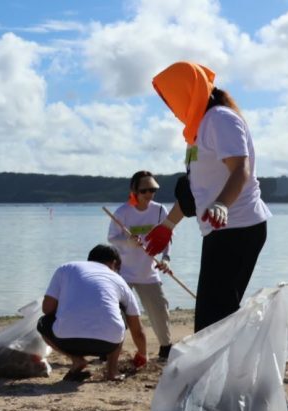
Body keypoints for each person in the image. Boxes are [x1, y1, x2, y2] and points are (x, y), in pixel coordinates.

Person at [144, 61, 271, 332]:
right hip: (220, 229)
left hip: (240, 227)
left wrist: (222, 204)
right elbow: (195, 191)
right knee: (212, 319)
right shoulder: (197, 131)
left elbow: (241, 169)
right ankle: (225, 371)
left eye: (170, 98)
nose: (169, 106)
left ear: (186, 92)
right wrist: (168, 225)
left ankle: (228, 372)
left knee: (213, 320)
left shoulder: (220, 119)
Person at [37, 244, 148, 382]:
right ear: (114, 263)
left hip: (66, 341)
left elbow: (47, 309)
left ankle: (77, 360)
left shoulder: (66, 268)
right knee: (119, 313)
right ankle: (112, 371)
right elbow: (137, 330)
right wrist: (142, 355)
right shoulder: (119, 281)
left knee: (42, 322)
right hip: (106, 344)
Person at [108, 170, 174, 362]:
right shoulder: (122, 212)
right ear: (134, 190)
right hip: (125, 273)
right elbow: (112, 238)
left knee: (160, 310)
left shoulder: (160, 210)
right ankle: (109, 349)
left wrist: (166, 259)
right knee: (117, 313)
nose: (149, 195)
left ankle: (166, 348)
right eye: (145, 190)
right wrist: (128, 242)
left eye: (153, 190)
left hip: (149, 272)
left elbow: (167, 237)